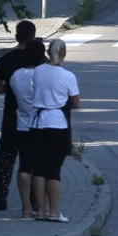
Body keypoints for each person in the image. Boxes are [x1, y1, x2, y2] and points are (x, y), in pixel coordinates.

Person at [0, 20, 36, 211]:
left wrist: (9, 90)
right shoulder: (38, 59)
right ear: (33, 37)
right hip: (33, 117)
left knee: (7, 154)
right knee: (31, 158)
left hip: (11, 114)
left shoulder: (7, 59)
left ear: (16, 36)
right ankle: (33, 197)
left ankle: (2, 191)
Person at [31, 39, 80, 223]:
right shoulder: (67, 76)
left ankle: (40, 210)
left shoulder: (37, 71)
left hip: (36, 123)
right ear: (64, 54)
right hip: (57, 123)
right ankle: (54, 211)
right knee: (54, 169)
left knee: (39, 168)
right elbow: (76, 102)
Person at [9, 39, 47, 219]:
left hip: (22, 124)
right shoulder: (42, 75)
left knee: (24, 165)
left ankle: (25, 207)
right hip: (41, 125)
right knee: (41, 167)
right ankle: (42, 207)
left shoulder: (16, 75)